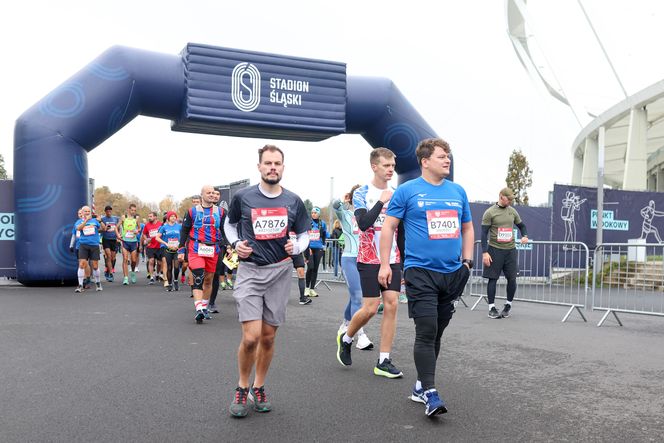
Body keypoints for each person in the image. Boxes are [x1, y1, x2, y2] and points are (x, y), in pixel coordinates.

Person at [378, 137, 474, 417]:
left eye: (449, 156)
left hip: (452, 273)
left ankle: (421, 384)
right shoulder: (408, 191)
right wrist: (385, 264)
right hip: (419, 272)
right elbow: (388, 228)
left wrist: (466, 264)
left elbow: (467, 229)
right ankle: (430, 393)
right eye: (442, 156)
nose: (448, 160)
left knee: (438, 331)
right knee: (427, 329)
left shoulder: (457, 191)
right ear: (425, 161)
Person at [224, 144, 309, 418]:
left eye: (277, 163)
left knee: (269, 338)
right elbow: (229, 225)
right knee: (251, 337)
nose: (273, 167)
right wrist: (236, 243)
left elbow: (305, 233)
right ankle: (241, 386)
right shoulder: (243, 197)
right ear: (259, 167)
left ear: (283, 167)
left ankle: (258, 387)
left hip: (280, 272)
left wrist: (296, 248)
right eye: (268, 163)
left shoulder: (293, 200)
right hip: (250, 271)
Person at [336, 147, 403, 378]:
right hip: (368, 257)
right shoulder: (362, 193)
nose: (390, 170)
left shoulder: (398, 193)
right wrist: (381, 202)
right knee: (370, 308)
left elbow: (400, 229)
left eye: (393, 166)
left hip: (393, 257)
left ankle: (384, 360)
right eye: (386, 166)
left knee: (392, 303)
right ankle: (346, 338)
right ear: (374, 166)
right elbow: (364, 223)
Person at [333, 185, 373, 350]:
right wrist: (344, 200)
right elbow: (335, 204)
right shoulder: (345, 214)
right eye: (356, 196)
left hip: (366, 260)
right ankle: (360, 335)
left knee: (355, 297)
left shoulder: (370, 215)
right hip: (349, 259)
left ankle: (345, 324)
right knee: (358, 296)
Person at [178, 186, 225, 323]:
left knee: (209, 279)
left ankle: (204, 307)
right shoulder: (192, 212)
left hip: (213, 249)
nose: (211, 195)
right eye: (208, 193)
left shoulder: (221, 212)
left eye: (213, 193)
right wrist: (181, 250)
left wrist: (229, 246)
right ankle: (199, 309)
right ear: (202, 195)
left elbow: (224, 230)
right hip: (196, 248)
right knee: (198, 276)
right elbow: (184, 232)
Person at [481, 187, 529, 319]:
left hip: (510, 250)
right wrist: (485, 253)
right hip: (494, 250)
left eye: (512, 199)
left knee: (512, 279)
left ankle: (508, 305)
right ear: (501, 196)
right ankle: (491, 308)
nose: (510, 202)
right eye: (509, 199)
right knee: (493, 279)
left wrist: (524, 235)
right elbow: (484, 233)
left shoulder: (512, 211)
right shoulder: (489, 212)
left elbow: (522, 226)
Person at [74, 206, 106, 292]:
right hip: (83, 245)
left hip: (94, 245)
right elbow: (78, 228)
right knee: (82, 264)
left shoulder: (95, 221)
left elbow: (104, 229)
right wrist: (86, 221)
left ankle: (98, 283)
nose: (87, 213)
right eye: (86, 211)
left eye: (89, 211)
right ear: (82, 212)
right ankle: (80, 285)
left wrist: (101, 221)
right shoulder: (79, 221)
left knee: (95, 266)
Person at [156, 211, 182, 292]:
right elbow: (157, 237)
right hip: (167, 249)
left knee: (177, 266)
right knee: (169, 267)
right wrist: (166, 243)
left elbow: (184, 236)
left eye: (175, 216)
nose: (173, 218)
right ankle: (170, 284)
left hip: (177, 249)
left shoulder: (179, 226)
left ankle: (176, 281)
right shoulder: (164, 227)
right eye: (171, 216)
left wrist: (180, 245)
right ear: (168, 218)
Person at [304, 207, 327, 297]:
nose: (313, 214)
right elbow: (304, 234)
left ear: (318, 214)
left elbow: (324, 234)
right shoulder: (307, 222)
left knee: (315, 269)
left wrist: (324, 245)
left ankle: (312, 289)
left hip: (318, 248)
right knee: (310, 267)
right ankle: (306, 288)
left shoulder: (322, 223)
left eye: (315, 212)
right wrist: (306, 246)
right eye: (312, 212)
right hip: (309, 247)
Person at [116, 203, 140, 285]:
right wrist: (118, 235)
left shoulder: (136, 218)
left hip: (133, 242)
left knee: (133, 260)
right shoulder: (124, 217)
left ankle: (132, 272)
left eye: (135, 210)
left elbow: (139, 228)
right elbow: (116, 227)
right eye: (132, 210)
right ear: (129, 210)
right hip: (125, 241)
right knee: (125, 259)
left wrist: (137, 231)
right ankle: (125, 278)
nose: (133, 212)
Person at [143, 212, 163, 285]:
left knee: (160, 263)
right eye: (149, 216)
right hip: (150, 246)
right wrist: (146, 239)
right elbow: (144, 233)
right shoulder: (147, 225)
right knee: (151, 261)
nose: (149, 218)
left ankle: (157, 274)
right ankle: (151, 277)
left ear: (155, 217)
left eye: (151, 216)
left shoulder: (160, 224)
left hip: (159, 246)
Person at [101, 205, 119, 282]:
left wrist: (118, 236)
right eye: (107, 211)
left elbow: (118, 228)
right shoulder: (103, 219)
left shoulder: (115, 218)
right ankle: (111, 273)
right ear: (105, 212)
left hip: (114, 240)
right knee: (108, 255)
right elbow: (102, 229)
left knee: (112, 257)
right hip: (106, 239)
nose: (109, 212)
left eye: (110, 211)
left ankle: (108, 271)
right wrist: (105, 228)